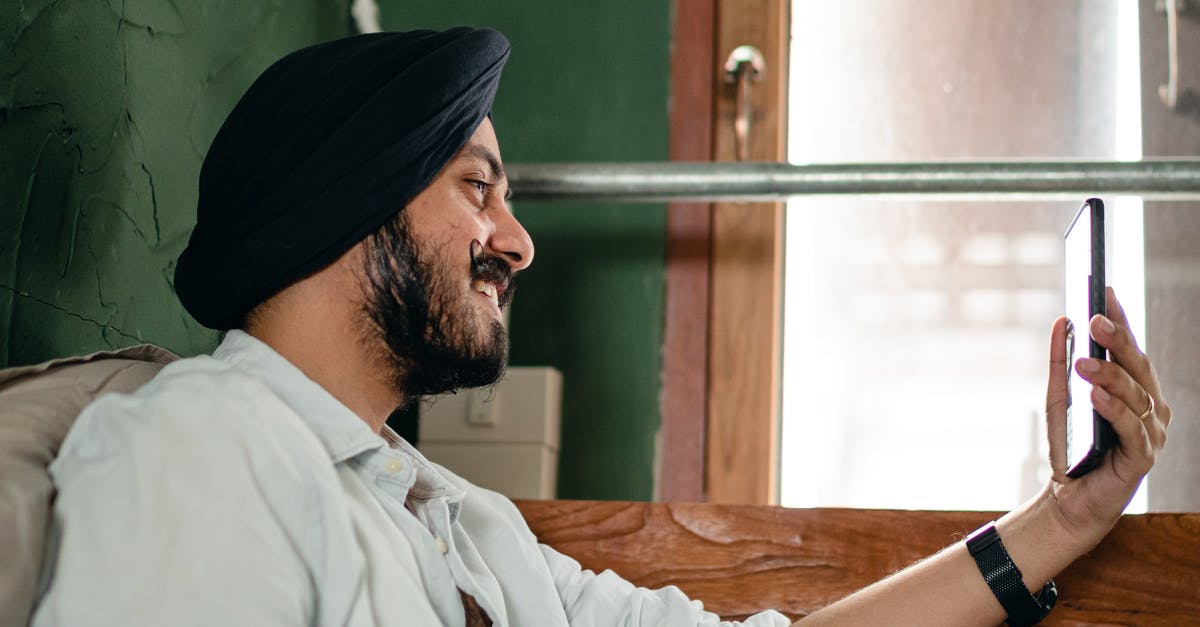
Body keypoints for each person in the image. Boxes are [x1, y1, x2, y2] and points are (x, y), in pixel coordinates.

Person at [30, 27, 1171, 627]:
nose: (519, 241)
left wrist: (1061, 521)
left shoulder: (456, 522)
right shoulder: (199, 450)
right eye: (478, 188)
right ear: (351, 204)